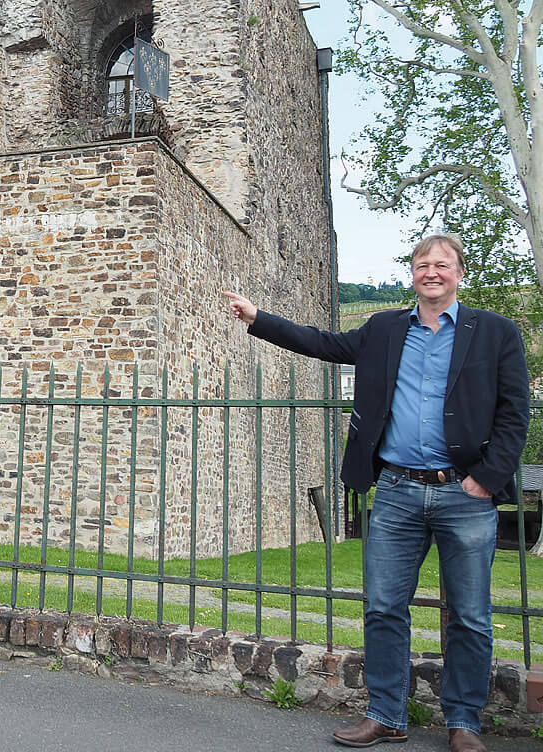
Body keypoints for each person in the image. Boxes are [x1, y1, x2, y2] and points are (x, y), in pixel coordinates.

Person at [224, 234, 528, 752]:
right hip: (396, 491)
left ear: (458, 273)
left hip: (465, 495)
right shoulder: (386, 328)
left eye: (442, 265)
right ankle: (386, 714)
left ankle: (464, 723)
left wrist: (488, 478)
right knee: (384, 607)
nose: (431, 272)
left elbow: (514, 411)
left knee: (470, 615)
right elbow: (323, 343)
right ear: (412, 274)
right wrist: (259, 317)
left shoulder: (496, 332)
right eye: (421, 264)